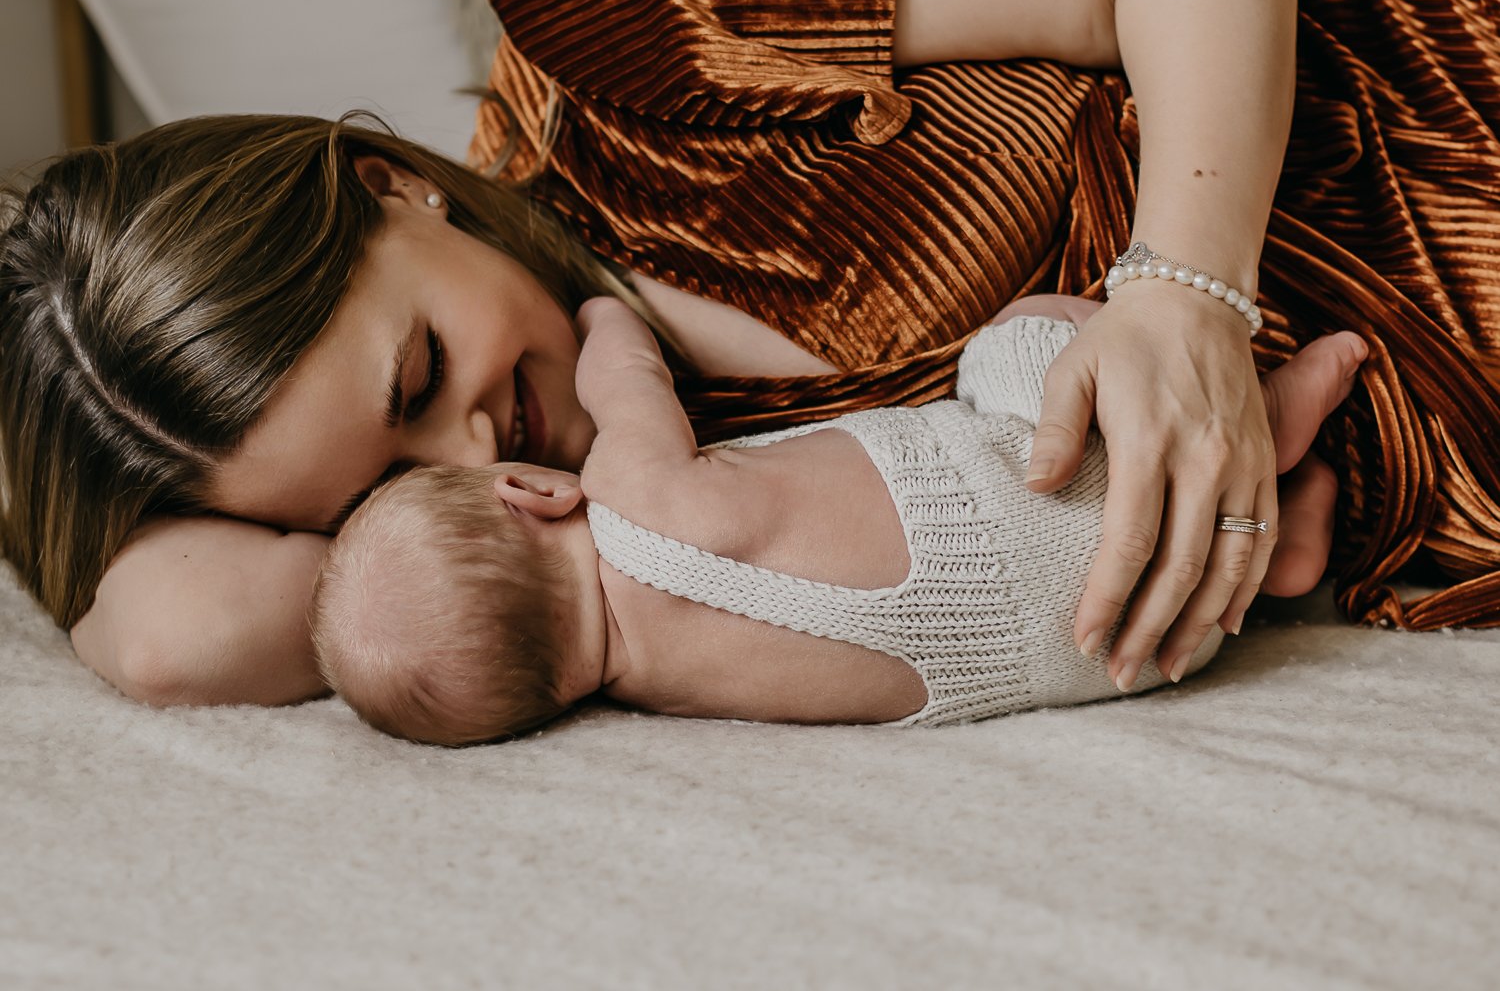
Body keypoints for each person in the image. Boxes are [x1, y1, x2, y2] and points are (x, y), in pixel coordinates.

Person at [0, 0, 1494, 709]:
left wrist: (1184, 289)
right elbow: (167, 636)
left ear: (389, 186)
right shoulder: (607, 534)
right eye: (370, 490)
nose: (480, 457)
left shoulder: (625, 32)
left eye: (415, 380)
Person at [310, 298, 1370, 745]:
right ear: (533, 493)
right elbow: (627, 371)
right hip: (1024, 487)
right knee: (1020, 340)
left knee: (1169, 566)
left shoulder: (667, 700)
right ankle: (1264, 424)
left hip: (1099, 650)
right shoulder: (633, 490)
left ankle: (1282, 559)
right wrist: (599, 313)